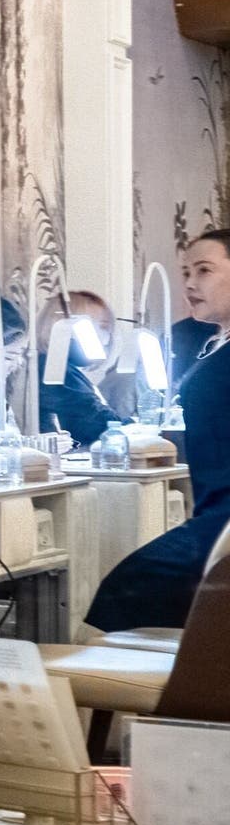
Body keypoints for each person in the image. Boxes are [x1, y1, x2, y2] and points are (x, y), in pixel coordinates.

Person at [85, 229, 230, 631]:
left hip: (223, 517)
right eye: (186, 272)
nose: (190, 283)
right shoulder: (213, 344)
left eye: (204, 270)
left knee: (127, 591)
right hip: (212, 509)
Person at [43, 287, 122, 449]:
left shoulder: (68, 371)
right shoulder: (56, 373)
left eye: (105, 328)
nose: (104, 337)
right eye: (98, 327)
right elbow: (98, 422)